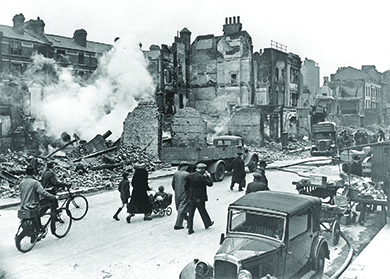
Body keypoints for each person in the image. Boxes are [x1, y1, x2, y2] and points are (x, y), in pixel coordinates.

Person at [185, 163, 214, 235]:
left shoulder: (190, 176)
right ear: (202, 170)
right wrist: (207, 176)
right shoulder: (201, 177)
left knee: (191, 213)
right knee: (202, 211)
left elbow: (186, 186)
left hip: (191, 198)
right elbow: (210, 184)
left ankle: (190, 229)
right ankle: (207, 223)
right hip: (200, 198)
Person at [172, 161, 190, 230]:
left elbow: (173, 183)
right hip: (184, 193)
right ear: (185, 166)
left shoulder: (176, 173)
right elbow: (189, 185)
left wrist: (176, 190)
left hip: (177, 193)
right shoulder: (187, 174)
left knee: (180, 207)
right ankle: (178, 224)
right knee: (182, 208)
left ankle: (187, 219)